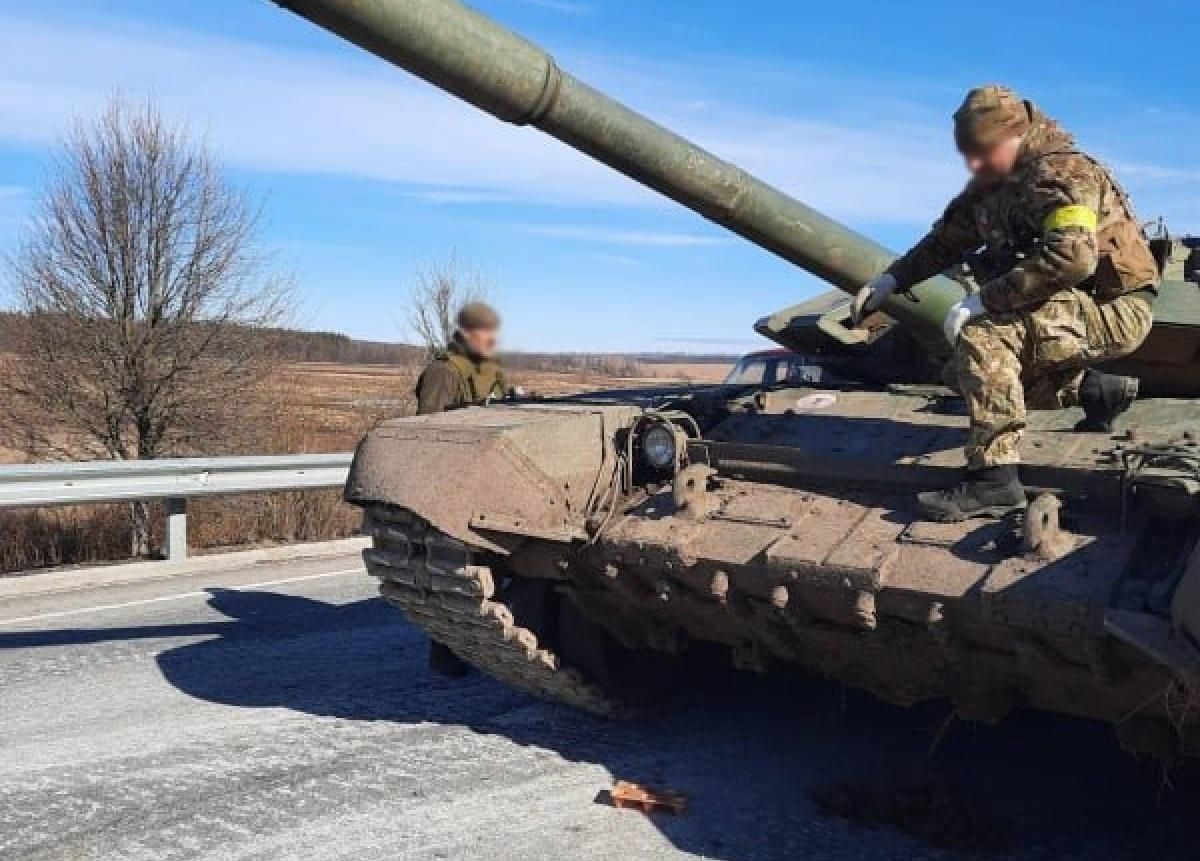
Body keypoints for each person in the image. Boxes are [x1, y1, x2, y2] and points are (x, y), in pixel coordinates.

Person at [853, 85, 1159, 522]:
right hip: (1062, 305)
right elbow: (946, 242)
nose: (974, 164)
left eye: (983, 151)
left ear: (1015, 135)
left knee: (984, 335)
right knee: (964, 373)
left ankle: (994, 481)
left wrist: (982, 301)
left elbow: (1072, 257)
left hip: (1114, 308)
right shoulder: (992, 188)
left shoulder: (1063, 175)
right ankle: (1094, 390)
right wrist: (893, 278)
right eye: (969, 154)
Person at [414, 301, 507, 676]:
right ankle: (447, 647)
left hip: (490, 478)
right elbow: (428, 429)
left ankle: (494, 642)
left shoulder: (491, 372)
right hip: (450, 482)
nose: (491, 339)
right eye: (485, 332)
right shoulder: (443, 372)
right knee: (453, 568)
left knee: (492, 568)